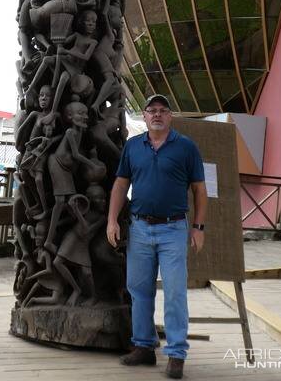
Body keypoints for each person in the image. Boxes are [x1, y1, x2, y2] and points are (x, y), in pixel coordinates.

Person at [107, 94, 207, 379]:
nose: (157, 115)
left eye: (163, 110)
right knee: (139, 291)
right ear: (145, 116)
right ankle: (144, 347)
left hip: (173, 229)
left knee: (175, 293)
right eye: (152, 111)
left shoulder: (186, 147)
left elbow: (200, 190)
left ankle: (176, 354)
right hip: (139, 228)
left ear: (170, 116)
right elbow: (120, 184)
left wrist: (198, 228)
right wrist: (112, 220)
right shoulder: (133, 147)